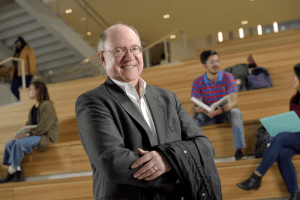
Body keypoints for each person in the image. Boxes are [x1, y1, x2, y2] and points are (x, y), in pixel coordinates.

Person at [75, 24, 222, 200]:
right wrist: (181, 167)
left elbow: (204, 146)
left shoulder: (168, 98)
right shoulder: (92, 101)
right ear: (102, 58)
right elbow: (113, 162)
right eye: (118, 51)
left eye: (134, 48)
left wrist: (168, 159)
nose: (129, 57)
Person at [237, 63, 300, 200]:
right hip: (297, 139)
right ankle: (294, 194)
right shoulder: (293, 100)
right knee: (282, 153)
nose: (292, 79)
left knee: (281, 137)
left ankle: (256, 177)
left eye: (294, 76)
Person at [191, 50, 246, 160]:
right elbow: (195, 107)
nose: (215, 64)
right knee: (191, 119)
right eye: (211, 62)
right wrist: (202, 110)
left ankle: (239, 151)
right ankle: (196, 153)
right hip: (208, 115)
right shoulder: (197, 82)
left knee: (236, 112)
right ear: (204, 65)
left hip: (225, 113)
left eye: (217, 61)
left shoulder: (228, 77)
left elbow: (234, 102)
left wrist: (222, 109)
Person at [0, 81, 59, 183]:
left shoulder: (47, 105)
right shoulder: (33, 108)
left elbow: (44, 127)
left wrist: (28, 134)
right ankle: (18, 174)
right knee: (10, 143)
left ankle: (11, 172)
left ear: (38, 91)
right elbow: (28, 125)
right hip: (35, 135)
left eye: (31, 89)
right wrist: (23, 134)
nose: (28, 91)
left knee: (18, 144)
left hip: (45, 136)